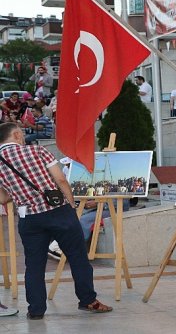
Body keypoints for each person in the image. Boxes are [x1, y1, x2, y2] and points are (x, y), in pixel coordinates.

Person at [0, 122, 112, 319]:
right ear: (16, 134)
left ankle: (36, 310)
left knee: (34, 265)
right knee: (78, 257)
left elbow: (2, 198)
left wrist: (19, 192)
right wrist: (70, 204)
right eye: (22, 134)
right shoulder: (37, 151)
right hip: (58, 211)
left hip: (29, 219)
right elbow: (60, 180)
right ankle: (88, 300)